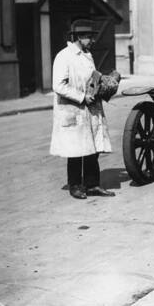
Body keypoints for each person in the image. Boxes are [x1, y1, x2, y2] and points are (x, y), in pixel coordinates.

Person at [50, 18, 115, 199]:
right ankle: (76, 186)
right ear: (79, 37)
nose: (92, 41)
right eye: (89, 37)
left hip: (90, 108)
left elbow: (90, 79)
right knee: (76, 150)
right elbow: (58, 85)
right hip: (73, 109)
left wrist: (102, 84)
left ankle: (93, 184)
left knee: (92, 149)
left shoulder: (87, 55)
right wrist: (81, 97)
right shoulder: (64, 56)